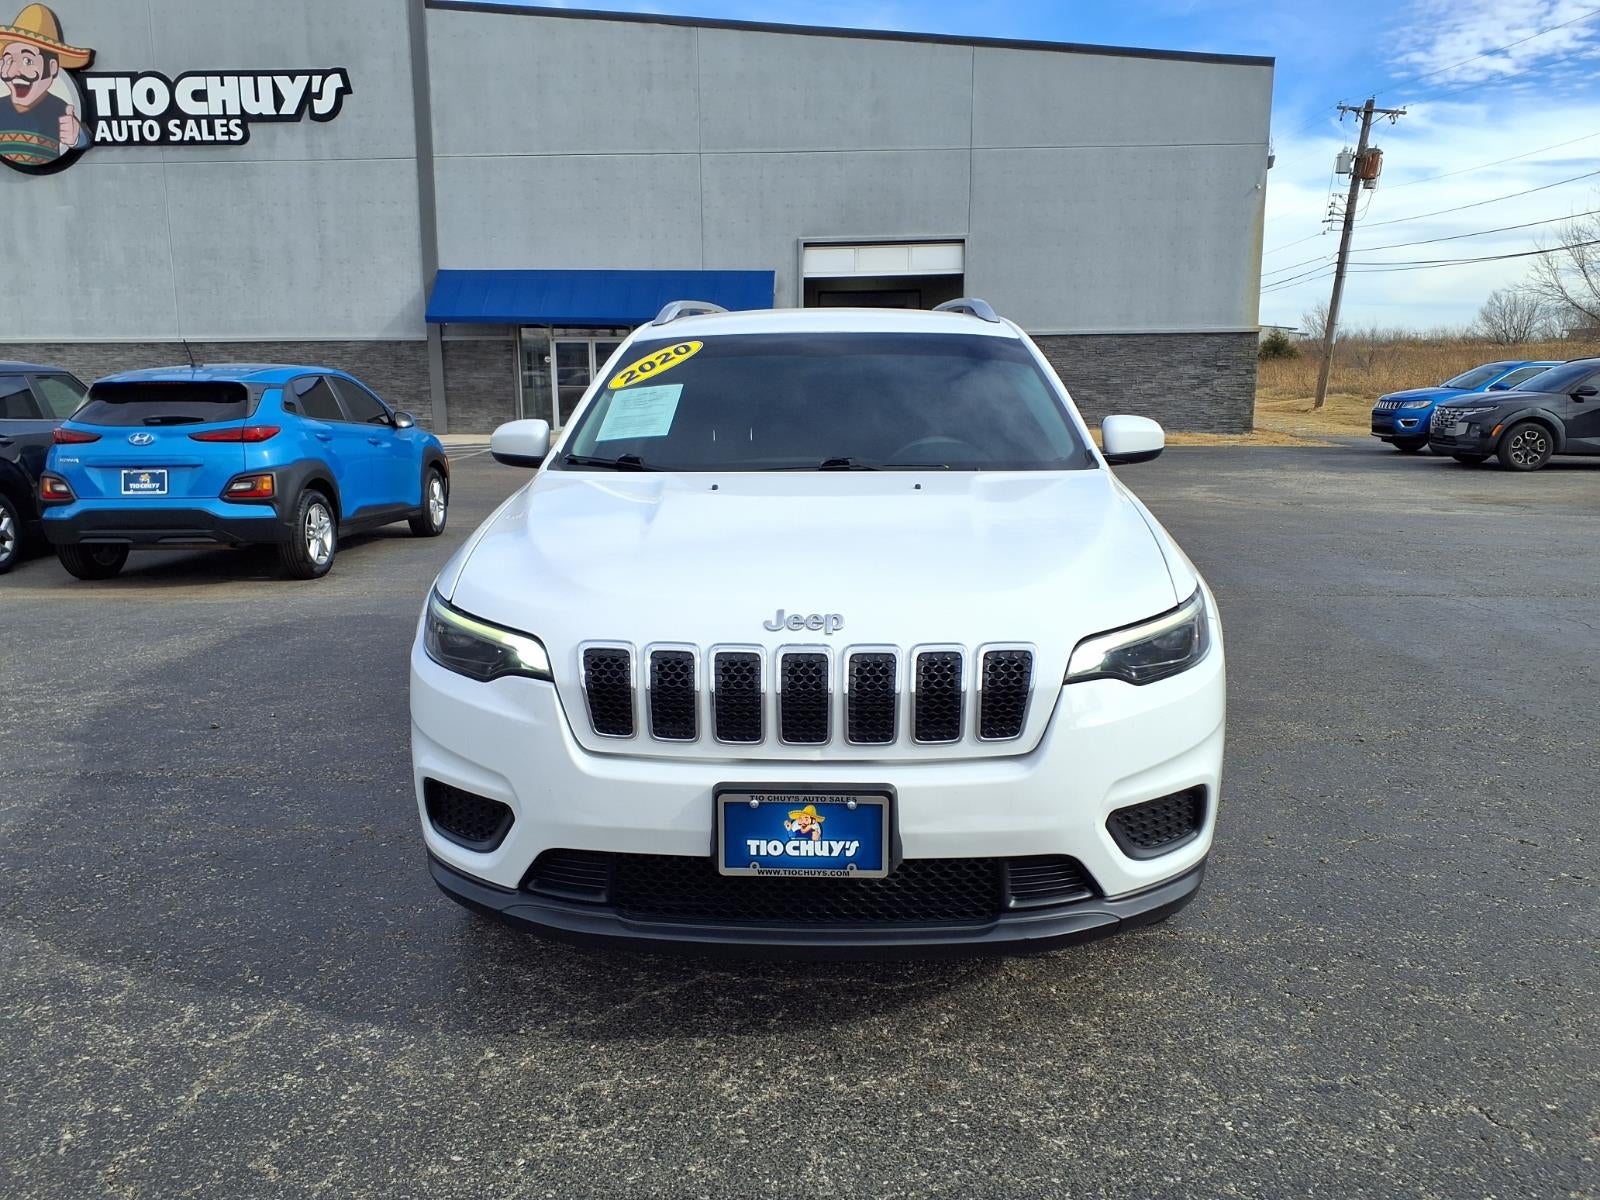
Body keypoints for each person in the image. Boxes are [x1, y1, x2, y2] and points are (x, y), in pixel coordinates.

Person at [0, 4, 92, 169]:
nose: (13, 71)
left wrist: (77, 137)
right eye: (8, 60)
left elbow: (83, 137)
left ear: (52, 67)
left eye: (27, 60)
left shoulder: (61, 111)